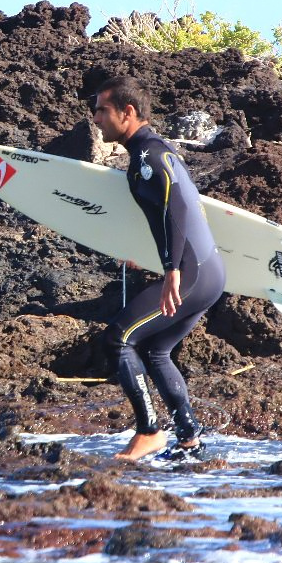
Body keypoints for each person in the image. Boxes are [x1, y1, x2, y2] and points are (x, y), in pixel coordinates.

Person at [92, 75, 226, 461]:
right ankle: (190, 440)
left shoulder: (149, 156)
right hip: (207, 271)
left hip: (191, 273)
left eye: (103, 110)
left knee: (119, 339)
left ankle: (149, 431)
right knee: (155, 350)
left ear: (127, 112)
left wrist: (171, 269)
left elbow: (178, 208)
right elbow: (166, 212)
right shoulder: (153, 152)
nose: (97, 118)